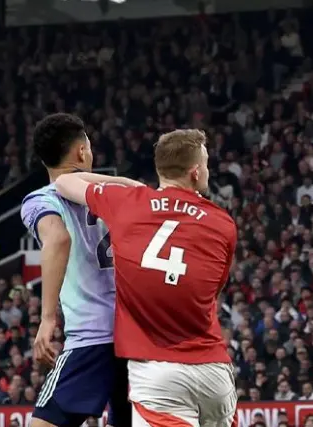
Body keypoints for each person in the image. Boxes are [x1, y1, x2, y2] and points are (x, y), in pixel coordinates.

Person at [54, 129, 239, 427]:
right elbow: (213, 290)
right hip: (213, 370)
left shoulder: (127, 201)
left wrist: (125, 184)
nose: (207, 170)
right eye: (205, 164)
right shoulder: (223, 223)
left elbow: (63, 181)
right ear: (195, 172)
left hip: (157, 373)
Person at [18, 113, 134, 427]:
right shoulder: (114, 194)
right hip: (136, 335)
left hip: (92, 336)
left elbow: (57, 238)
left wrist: (46, 318)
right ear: (82, 152)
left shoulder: (41, 200)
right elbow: (139, 189)